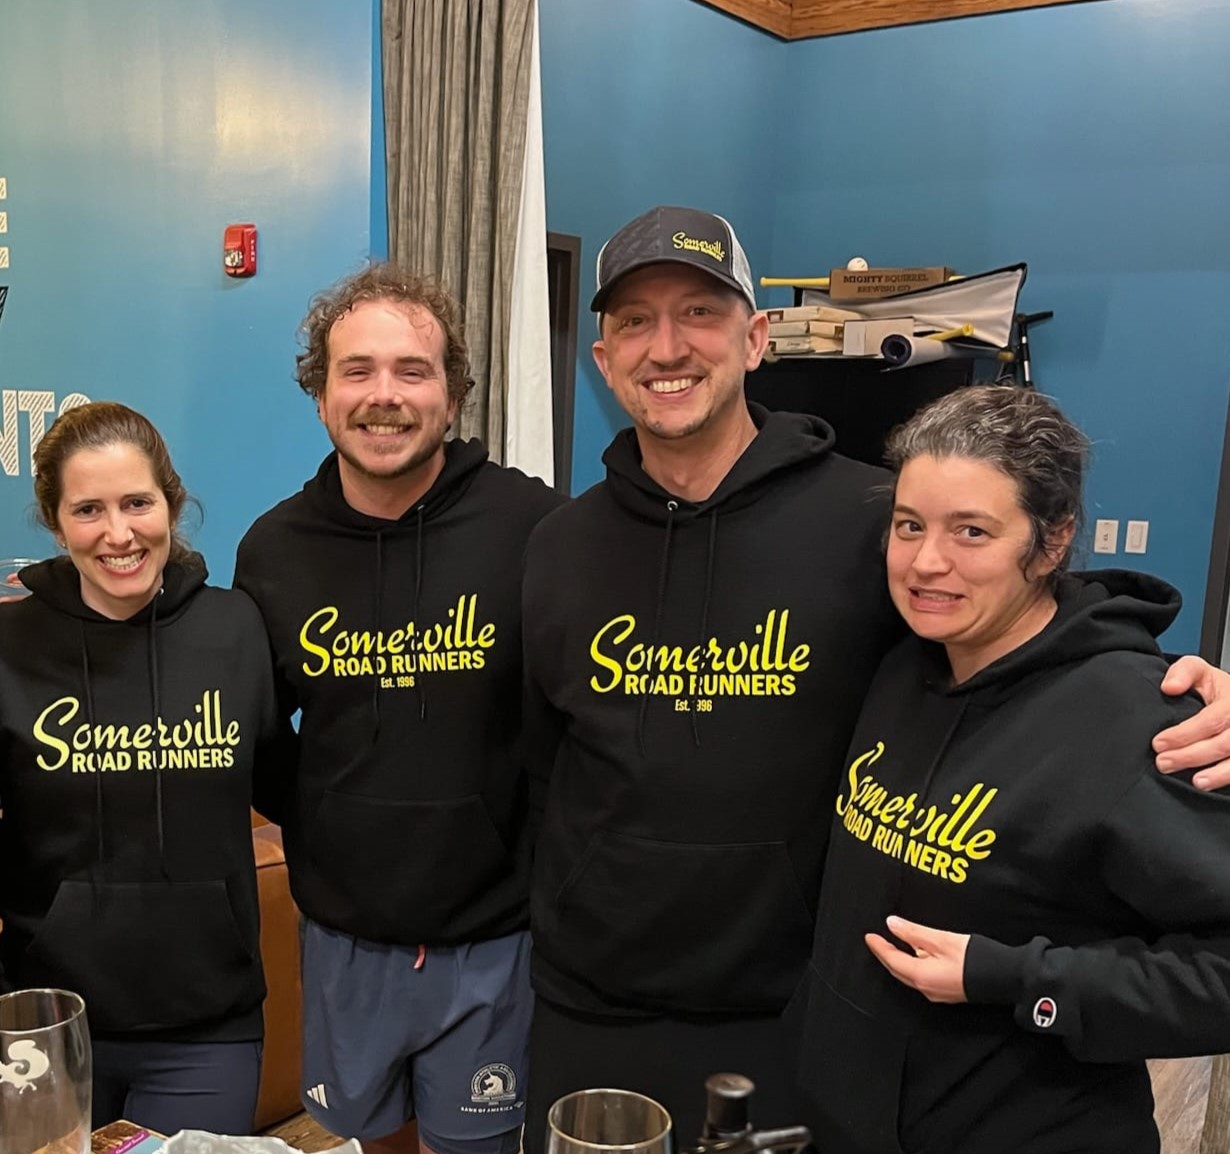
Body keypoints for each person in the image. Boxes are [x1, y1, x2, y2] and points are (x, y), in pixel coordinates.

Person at [519, 205, 1230, 1150]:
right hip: (592, 1003)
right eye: (635, 322)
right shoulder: (560, 545)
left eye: (699, 311)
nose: (667, 346)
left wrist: (1174, 683)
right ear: (602, 360)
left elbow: (1014, 605)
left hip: (794, 1007)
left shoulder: (868, 518)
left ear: (756, 337)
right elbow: (538, 760)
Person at [793, 385, 1230, 1154]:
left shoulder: (1137, 722)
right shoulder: (902, 665)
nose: (928, 562)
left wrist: (1015, 979)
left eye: (972, 531)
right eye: (909, 526)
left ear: (1051, 542)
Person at [234, 262, 564, 1154]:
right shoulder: (274, 549)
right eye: (357, 370)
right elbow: (262, 735)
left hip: (496, 938)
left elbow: (572, 718)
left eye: (412, 372)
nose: (385, 396)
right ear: (320, 395)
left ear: (453, 395)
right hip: (346, 937)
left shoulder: (534, 527)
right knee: (364, 1146)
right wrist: (328, 834)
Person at [0, 401, 290, 1136]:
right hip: (44, 1022)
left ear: (171, 506)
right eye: (88, 509)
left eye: (137, 503)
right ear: (55, 523)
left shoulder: (233, 628)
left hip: (205, 1027)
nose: (118, 533)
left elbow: (287, 785)